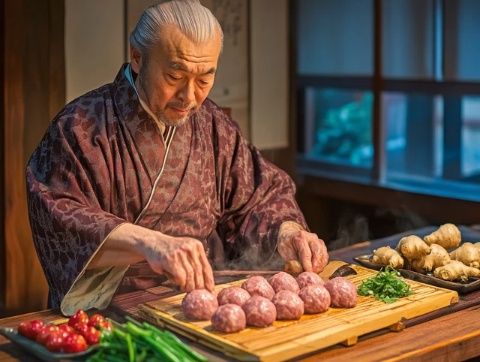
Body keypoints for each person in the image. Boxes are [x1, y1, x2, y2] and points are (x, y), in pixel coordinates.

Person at [26, 0, 328, 315]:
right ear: (137, 58)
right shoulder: (79, 126)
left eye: (204, 79)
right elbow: (61, 215)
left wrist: (287, 232)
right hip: (111, 312)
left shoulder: (212, 124)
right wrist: (150, 243)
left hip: (205, 305)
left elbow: (257, 196)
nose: (189, 96)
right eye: (174, 76)